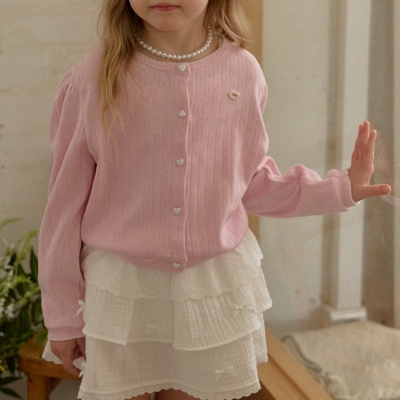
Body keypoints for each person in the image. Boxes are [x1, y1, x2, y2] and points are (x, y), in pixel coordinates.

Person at [38, 1, 391, 400]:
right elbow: (63, 209)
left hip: (207, 290)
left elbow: (250, 181)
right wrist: (63, 316)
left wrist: (340, 188)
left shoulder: (243, 71)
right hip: (122, 293)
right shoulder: (91, 77)